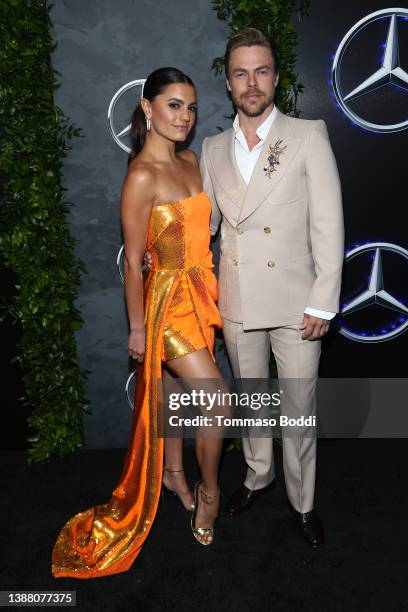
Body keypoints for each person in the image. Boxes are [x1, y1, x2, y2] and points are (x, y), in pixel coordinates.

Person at [51, 67, 225, 579]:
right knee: (216, 399)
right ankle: (209, 495)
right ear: (147, 108)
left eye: (190, 107)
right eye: (174, 105)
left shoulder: (192, 161)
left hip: (201, 294)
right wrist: (135, 328)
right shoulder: (141, 177)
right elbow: (133, 262)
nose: (185, 117)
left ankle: (173, 474)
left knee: (172, 396)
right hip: (166, 303)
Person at [200, 28, 344, 547]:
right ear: (228, 81)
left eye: (261, 71)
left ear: (277, 78)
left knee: (297, 410)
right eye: (241, 72)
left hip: (295, 303)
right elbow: (205, 225)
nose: (252, 82)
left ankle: (303, 502)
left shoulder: (308, 135)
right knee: (253, 402)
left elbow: (328, 225)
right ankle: (258, 476)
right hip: (237, 302)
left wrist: (324, 300)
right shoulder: (212, 148)